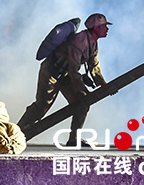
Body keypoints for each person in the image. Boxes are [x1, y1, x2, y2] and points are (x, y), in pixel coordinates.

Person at [18, 13, 112, 146]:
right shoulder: (79, 41)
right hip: (52, 72)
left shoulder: (93, 44)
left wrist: (103, 85)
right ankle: (17, 132)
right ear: (96, 28)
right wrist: (80, 90)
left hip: (65, 75)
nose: (107, 29)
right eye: (104, 26)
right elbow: (74, 70)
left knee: (82, 104)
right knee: (42, 105)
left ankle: (74, 139)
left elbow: (94, 66)